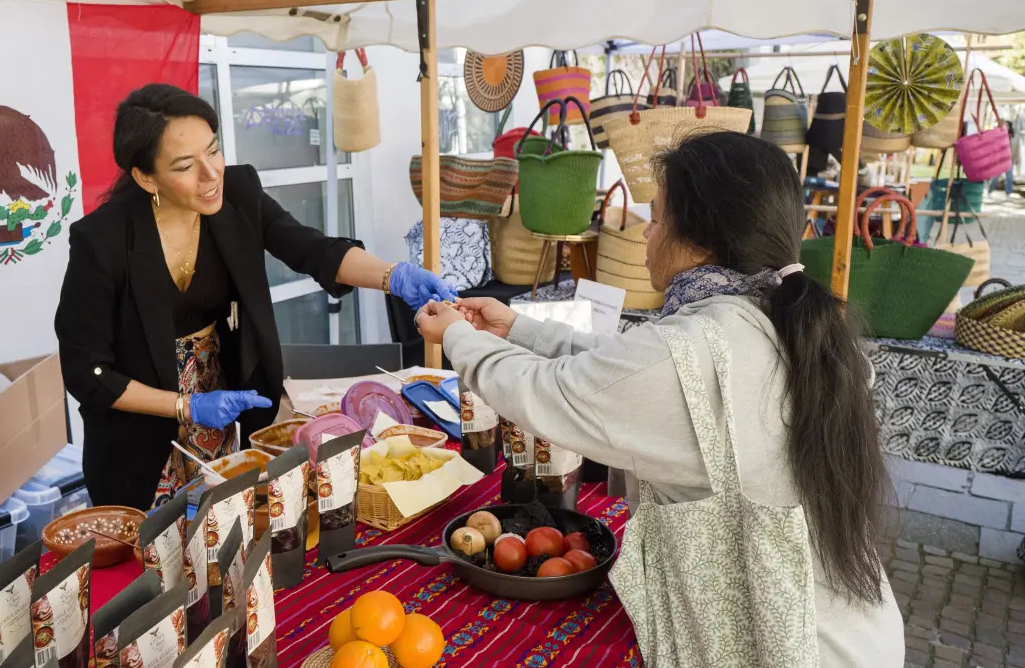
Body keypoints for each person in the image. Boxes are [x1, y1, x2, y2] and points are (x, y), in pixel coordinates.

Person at [417, 132, 904, 665]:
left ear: (698, 237)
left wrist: (460, 340)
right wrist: (516, 328)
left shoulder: (700, 343)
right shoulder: (774, 317)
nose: (646, 234)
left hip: (795, 647)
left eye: (655, 218)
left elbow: (549, 393)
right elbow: (623, 366)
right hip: (853, 630)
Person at [56, 84, 456, 510]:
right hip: (141, 426)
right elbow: (87, 372)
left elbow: (311, 249)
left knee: (229, 531)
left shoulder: (239, 193)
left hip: (223, 402)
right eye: (186, 166)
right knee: (162, 553)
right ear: (145, 176)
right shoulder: (103, 241)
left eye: (214, 151)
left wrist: (394, 276)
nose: (211, 174)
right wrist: (185, 406)